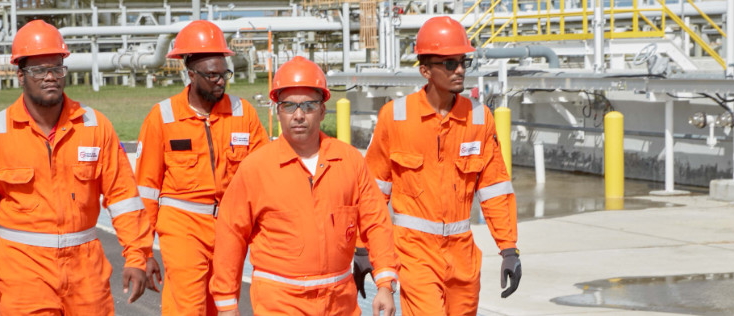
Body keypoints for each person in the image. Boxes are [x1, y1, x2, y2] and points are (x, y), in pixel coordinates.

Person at [0, 20, 156, 315]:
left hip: (87, 273)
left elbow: (124, 199)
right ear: (20, 75)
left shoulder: (95, 126)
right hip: (23, 272)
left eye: (57, 68)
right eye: (38, 70)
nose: (50, 77)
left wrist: (137, 256)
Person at [211, 56, 398, 316]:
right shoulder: (256, 168)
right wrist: (226, 304)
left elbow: (376, 223)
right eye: (289, 106)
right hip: (280, 303)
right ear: (278, 111)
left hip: (339, 303)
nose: (298, 115)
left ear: (322, 110)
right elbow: (231, 235)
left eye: (309, 106)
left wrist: (385, 284)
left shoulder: (349, 161)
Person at [363, 16, 520, 316]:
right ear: (425, 70)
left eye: (463, 61)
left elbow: (495, 189)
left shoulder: (479, 118)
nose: (459, 69)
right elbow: (371, 193)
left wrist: (508, 248)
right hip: (414, 253)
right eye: (449, 64)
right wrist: (362, 248)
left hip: (462, 257)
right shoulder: (395, 117)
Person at [134, 20, 270, 315]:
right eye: (212, 76)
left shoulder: (242, 113)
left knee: (222, 303)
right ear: (191, 74)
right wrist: (142, 252)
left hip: (230, 228)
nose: (221, 82)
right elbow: (146, 190)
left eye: (224, 74)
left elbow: (267, 172)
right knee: (188, 306)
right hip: (182, 227)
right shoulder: (163, 117)